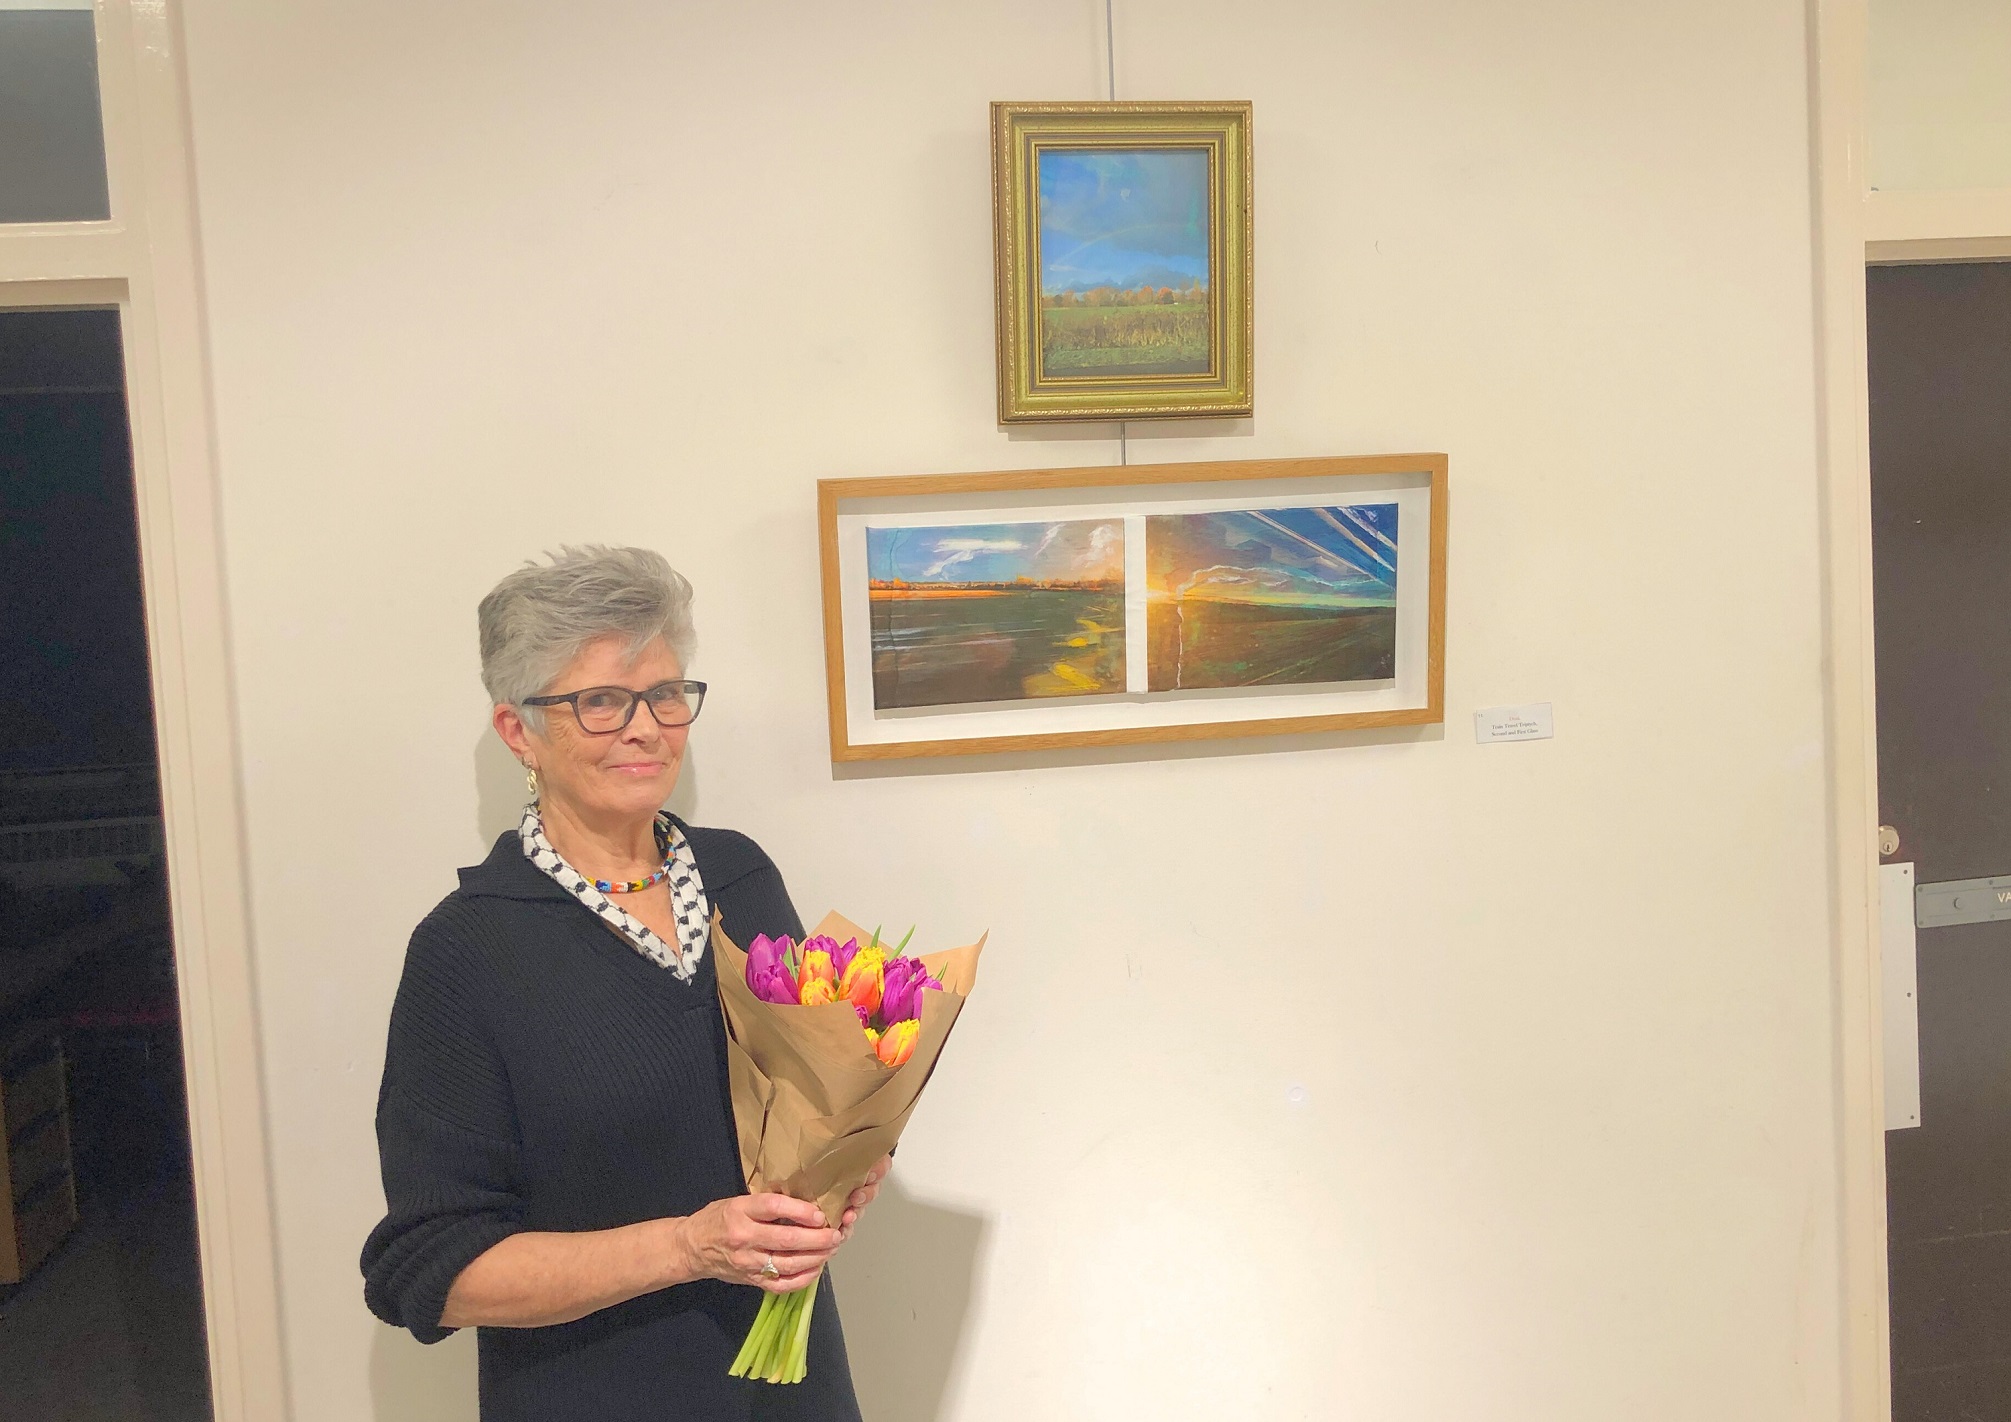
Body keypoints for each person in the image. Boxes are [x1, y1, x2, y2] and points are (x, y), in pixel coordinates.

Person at [361, 546, 884, 1421]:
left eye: (666, 693)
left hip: (792, 1386)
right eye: (599, 701)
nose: (646, 727)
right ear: (518, 730)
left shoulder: (740, 877)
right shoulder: (467, 951)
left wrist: (847, 1169)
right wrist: (687, 1247)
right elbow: (429, 1268)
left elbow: (819, 1092)